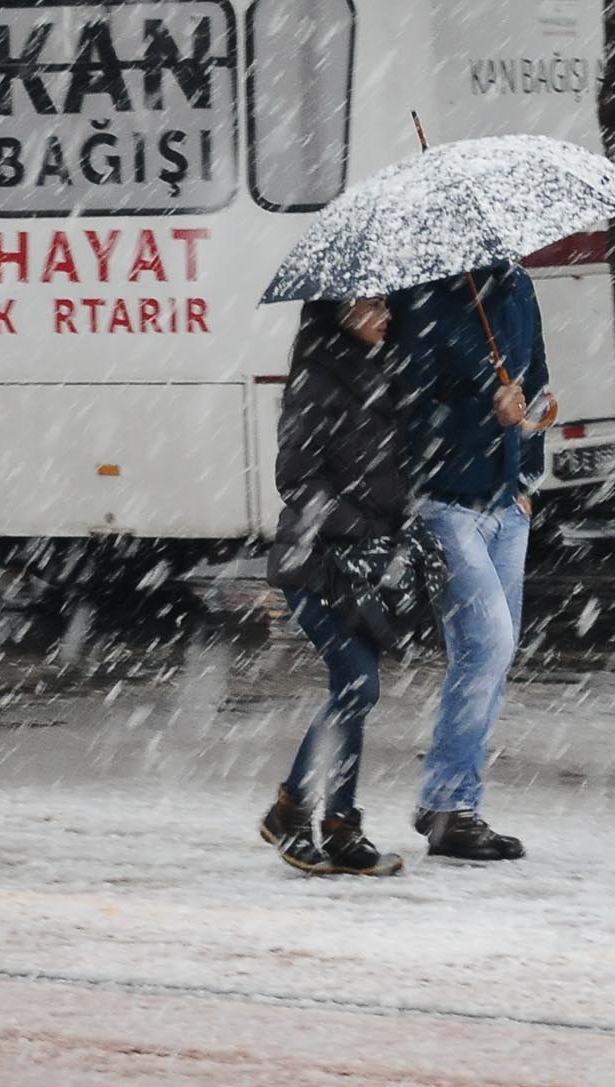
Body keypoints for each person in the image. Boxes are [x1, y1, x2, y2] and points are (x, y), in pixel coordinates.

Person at [389, 261, 549, 861]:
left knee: (491, 658)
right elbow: (406, 401)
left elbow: (537, 377)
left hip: (507, 500)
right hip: (445, 502)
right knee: (487, 646)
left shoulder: (518, 287)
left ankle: (449, 802)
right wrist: (485, 409)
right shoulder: (425, 296)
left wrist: (526, 471)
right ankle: (451, 803)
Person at [258, 296, 408, 877]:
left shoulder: (380, 370)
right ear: (340, 312)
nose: (386, 315)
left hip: (362, 566)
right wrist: (358, 526)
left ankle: (341, 827)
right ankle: (291, 811)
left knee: (355, 691)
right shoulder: (316, 381)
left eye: (386, 304)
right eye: (373, 305)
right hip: (317, 565)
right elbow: (296, 478)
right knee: (358, 685)